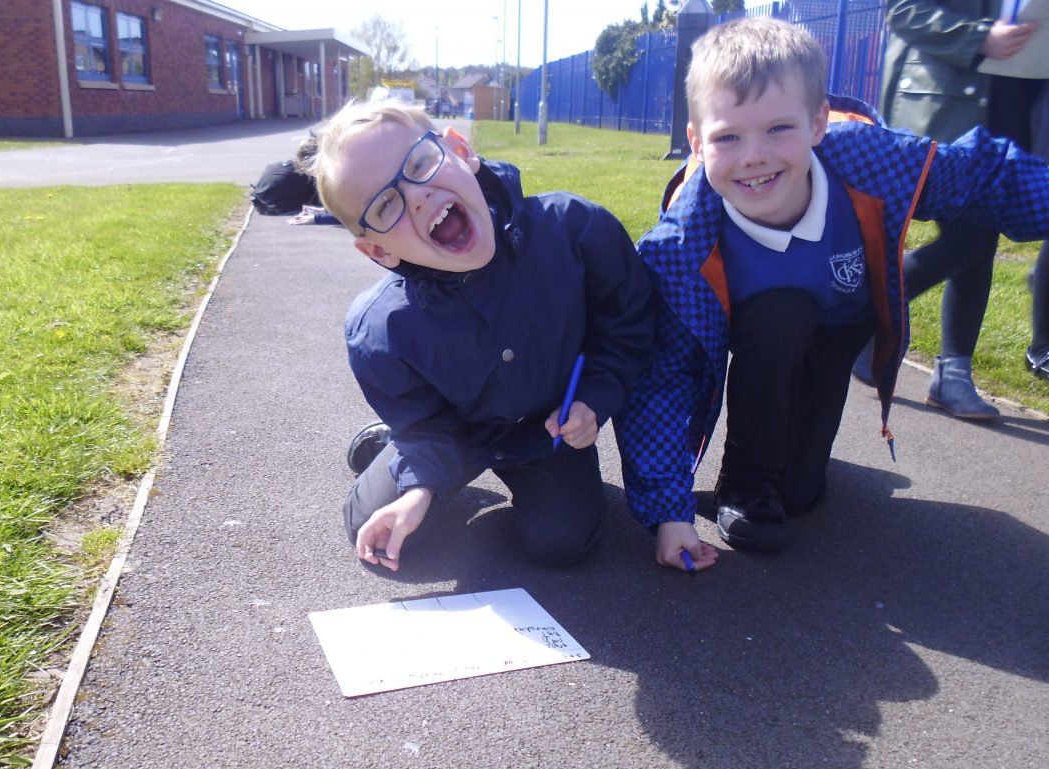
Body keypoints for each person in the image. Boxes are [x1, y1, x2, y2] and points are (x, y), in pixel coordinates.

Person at [615, 17, 1049, 569]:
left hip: (843, 319)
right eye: (728, 137)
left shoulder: (870, 159)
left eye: (779, 128)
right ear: (697, 142)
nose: (754, 156)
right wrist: (668, 511)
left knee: (802, 495)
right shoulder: (680, 245)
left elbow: (982, 175)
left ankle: (795, 445)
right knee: (780, 314)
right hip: (763, 328)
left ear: (818, 122)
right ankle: (745, 477)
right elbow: (662, 379)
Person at [309, 99, 657, 572]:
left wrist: (593, 399)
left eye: (419, 164)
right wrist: (417, 491)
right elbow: (424, 425)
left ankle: (405, 457)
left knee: (562, 543)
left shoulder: (576, 231)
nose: (416, 196)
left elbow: (626, 328)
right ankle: (389, 447)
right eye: (386, 205)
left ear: (460, 150)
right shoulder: (379, 330)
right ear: (378, 251)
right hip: (453, 437)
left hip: (543, 432)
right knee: (377, 535)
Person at [857, 0, 1048, 416]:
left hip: (1019, 100)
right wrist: (979, 38)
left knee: (981, 237)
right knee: (968, 241)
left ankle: (949, 371)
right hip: (953, 101)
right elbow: (904, 10)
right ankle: (865, 316)